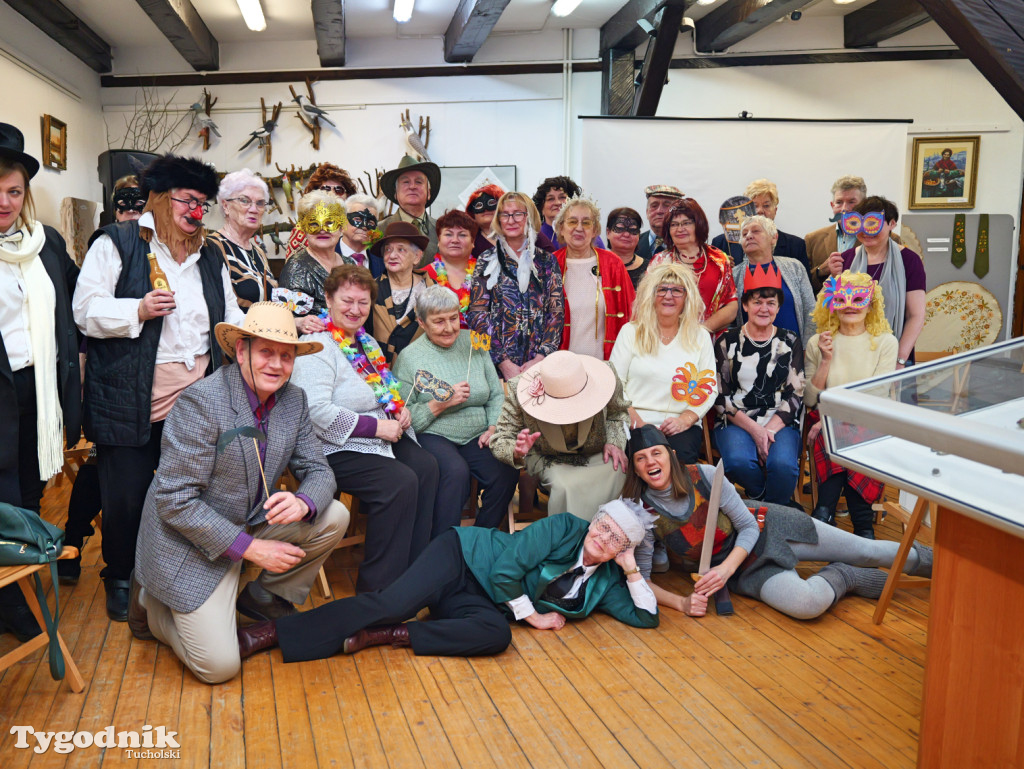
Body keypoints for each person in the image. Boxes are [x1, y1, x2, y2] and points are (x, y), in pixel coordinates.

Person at [127, 302, 348, 684]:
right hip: (189, 542)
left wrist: (303, 501)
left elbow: (318, 470)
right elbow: (175, 500)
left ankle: (263, 596)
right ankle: (151, 601)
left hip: (249, 521)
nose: (276, 365)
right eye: (266, 352)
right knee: (219, 668)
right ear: (241, 351)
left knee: (333, 515)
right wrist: (250, 549)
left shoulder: (293, 400)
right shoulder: (202, 402)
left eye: (286, 355)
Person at [74, 153, 244, 622]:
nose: (196, 212)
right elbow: (84, 310)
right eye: (189, 201)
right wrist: (138, 310)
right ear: (160, 199)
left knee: (192, 489)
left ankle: (182, 568)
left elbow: (230, 314)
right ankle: (122, 575)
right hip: (133, 395)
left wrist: (259, 335)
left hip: (199, 394)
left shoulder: (210, 254)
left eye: (203, 204)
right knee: (126, 494)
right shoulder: (119, 243)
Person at [235, 499, 658, 662]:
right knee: (389, 601)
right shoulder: (565, 526)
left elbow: (646, 619)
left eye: (615, 538)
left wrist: (632, 570)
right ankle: (269, 633)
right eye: (601, 525)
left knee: (495, 638)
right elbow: (506, 571)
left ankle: (389, 635)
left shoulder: (604, 583)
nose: (601, 537)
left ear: (623, 547)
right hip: (462, 557)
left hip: (487, 601)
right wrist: (536, 619)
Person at [624, 425, 932, 620]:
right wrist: (681, 603)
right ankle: (845, 575)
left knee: (869, 552)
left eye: (656, 453)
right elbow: (645, 579)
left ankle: (943, 570)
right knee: (807, 605)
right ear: (635, 469)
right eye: (641, 458)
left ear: (671, 455)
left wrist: (724, 569)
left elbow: (746, 526)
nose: (651, 462)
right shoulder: (643, 514)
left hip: (768, 526)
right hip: (746, 571)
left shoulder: (704, 476)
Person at [290, 264, 439, 593]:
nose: (355, 310)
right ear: (328, 299)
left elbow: (385, 390)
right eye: (347, 301)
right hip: (330, 446)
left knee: (427, 467)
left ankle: (414, 572)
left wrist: (399, 411)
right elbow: (315, 411)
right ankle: (378, 590)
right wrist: (376, 427)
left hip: (377, 435)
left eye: (363, 302)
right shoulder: (317, 346)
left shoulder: (367, 342)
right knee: (400, 482)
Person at [0, 122, 81, 641]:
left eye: (13, 191)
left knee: (29, 491)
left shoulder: (44, 243)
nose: (4, 202)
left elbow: (76, 306)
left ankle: (19, 594)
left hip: (39, 390)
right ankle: (11, 603)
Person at [62, 173, 146, 583]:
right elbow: (85, 318)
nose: (132, 212)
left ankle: (73, 544)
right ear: (115, 209)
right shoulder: (107, 245)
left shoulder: (157, 247)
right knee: (101, 467)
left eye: (139, 204)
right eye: (124, 205)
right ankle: (73, 542)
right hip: (111, 384)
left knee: (105, 471)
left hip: (148, 388)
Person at [393, 285, 517, 534]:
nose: (449, 328)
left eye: (453, 318)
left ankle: (480, 539)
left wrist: (493, 427)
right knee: (455, 473)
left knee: (505, 472)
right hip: (434, 433)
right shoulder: (410, 358)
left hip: (477, 433)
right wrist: (441, 403)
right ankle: (444, 546)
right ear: (422, 322)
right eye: (438, 322)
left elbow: (495, 395)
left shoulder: (473, 343)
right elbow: (404, 420)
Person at [804, 271, 898, 538]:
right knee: (837, 434)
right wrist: (825, 359)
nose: (848, 305)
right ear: (830, 302)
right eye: (841, 299)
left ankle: (824, 513)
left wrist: (832, 419)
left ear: (871, 304)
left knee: (845, 433)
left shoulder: (885, 343)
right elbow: (811, 399)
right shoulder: (818, 342)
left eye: (857, 299)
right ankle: (863, 527)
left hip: (869, 418)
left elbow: (877, 395)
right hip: (823, 419)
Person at [491, 350, 629, 521]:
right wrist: (517, 451)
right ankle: (571, 543)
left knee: (618, 471)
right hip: (548, 456)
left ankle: (610, 540)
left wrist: (614, 441)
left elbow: (617, 414)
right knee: (565, 487)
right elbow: (500, 439)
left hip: (596, 451)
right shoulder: (520, 390)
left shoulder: (606, 376)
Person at [714, 262, 805, 505]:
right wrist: (755, 431)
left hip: (780, 420)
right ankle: (767, 500)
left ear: (778, 307)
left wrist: (769, 431)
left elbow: (795, 395)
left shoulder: (790, 340)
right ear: (745, 305)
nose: (764, 308)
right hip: (736, 420)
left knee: (784, 466)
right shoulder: (726, 341)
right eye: (757, 302)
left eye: (771, 303)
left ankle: (768, 513)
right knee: (737, 462)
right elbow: (719, 396)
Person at [609, 263, 716, 464]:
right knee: (643, 460)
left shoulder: (700, 336)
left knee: (680, 461)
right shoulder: (630, 332)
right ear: (651, 295)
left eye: (677, 290)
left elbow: (708, 388)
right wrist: (636, 421)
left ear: (687, 298)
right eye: (662, 289)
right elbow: (615, 383)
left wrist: (685, 420)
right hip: (634, 422)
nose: (669, 296)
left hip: (680, 424)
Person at [466, 191, 564, 380]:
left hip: (540, 365)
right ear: (499, 219)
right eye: (505, 214)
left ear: (529, 217)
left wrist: (542, 357)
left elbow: (556, 312)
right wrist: (503, 362)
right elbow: (477, 315)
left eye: (518, 213)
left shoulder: (547, 261)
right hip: (496, 368)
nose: (511, 220)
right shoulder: (486, 260)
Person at [828, 196, 926, 368]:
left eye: (873, 223)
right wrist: (833, 278)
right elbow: (833, 310)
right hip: (851, 355)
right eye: (860, 223)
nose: (866, 231)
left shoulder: (909, 261)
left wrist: (899, 360)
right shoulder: (845, 260)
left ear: (892, 224)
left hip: (895, 353)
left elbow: (916, 315)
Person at [552, 197, 635, 360]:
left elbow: (632, 313)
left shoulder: (613, 263)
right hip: (561, 365)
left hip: (604, 364)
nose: (579, 228)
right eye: (572, 222)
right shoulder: (550, 264)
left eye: (587, 223)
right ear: (561, 228)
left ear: (595, 230)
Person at [650, 199, 737, 335]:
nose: (680, 229)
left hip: (709, 340)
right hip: (666, 339)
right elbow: (647, 304)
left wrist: (700, 332)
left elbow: (731, 305)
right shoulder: (659, 261)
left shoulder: (719, 260)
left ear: (699, 225)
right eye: (674, 224)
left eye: (686, 223)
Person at [732, 215, 815, 346]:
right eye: (744, 234)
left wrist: (807, 349)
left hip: (794, 353)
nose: (748, 236)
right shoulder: (734, 275)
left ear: (774, 237)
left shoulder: (794, 267)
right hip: (750, 356)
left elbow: (811, 311)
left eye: (756, 231)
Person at [366, 221, 436, 364]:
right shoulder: (369, 289)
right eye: (388, 250)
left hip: (420, 370)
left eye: (401, 250)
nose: (392, 256)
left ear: (417, 257)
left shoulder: (433, 291)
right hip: (378, 372)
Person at [206, 169, 276, 310]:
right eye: (245, 201)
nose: (254, 209)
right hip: (231, 330)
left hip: (264, 330)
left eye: (260, 203)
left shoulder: (259, 252)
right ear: (226, 206)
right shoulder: (212, 247)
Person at [278, 190, 346, 334]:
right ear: (304, 228)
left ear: (341, 228)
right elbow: (284, 318)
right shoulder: (296, 267)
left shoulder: (350, 264)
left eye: (329, 223)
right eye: (314, 223)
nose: (322, 229)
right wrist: (298, 323)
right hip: (314, 347)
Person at [711, 179, 809, 274]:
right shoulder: (721, 244)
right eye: (754, 206)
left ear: (775, 210)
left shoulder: (796, 245)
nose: (759, 211)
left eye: (766, 206)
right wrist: (722, 270)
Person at [284, 163, 358, 259]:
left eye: (339, 190)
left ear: (348, 196)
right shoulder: (302, 230)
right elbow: (293, 267)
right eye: (325, 189)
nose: (332, 193)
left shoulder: (358, 227)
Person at [378, 155, 441, 266]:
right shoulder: (378, 230)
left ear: (429, 193)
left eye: (418, 182)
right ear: (395, 194)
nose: (412, 186)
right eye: (406, 182)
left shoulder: (442, 230)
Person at [423, 210, 479, 329]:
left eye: (462, 235)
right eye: (448, 234)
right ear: (438, 240)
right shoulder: (423, 275)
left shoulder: (485, 275)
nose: (455, 240)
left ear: (473, 242)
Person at [636, 185, 683, 259]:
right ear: (647, 212)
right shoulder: (633, 244)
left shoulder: (690, 245)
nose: (659, 211)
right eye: (654, 206)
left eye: (667, 205)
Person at [605, 207, 647, 290]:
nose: (627, 234)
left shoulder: (651, 268)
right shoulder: (596, 265)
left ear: (639, 235)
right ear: (608, 232)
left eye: (633, 230)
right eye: (620, 229)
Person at [337, 194, 380, 276]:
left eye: (371, 222)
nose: (364, 227)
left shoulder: (381, 261)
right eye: (357, 219)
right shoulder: (327, 254)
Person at [467, 183, 503, 258]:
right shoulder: (468, 241)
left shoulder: (516, 235)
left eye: (491, 203)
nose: (486, 209)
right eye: (479, 205)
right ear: (473, 213)